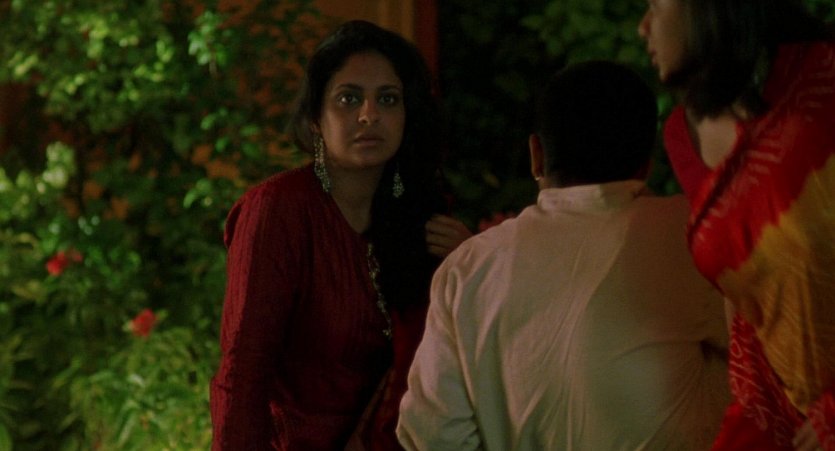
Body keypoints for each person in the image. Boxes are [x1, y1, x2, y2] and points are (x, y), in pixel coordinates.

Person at [397, 60, 730, 450]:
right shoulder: (694, 236)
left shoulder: (470, 268)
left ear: (536, 155)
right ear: (648, 160)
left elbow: (434, 434)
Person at [210, 20, 471, 450]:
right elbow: (243, 372)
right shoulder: (278, 210)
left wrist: (468, 269)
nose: (369, 115)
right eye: (348, 98)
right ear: (316, 118)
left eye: (388, 99)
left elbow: (452, 370)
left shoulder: (419, 219)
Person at [638, 1, 835, 449]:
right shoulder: (684, 134)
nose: (643, 28)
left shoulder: (820, 82)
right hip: (775, 394)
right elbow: (740, 285)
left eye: (655, 6)